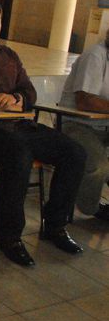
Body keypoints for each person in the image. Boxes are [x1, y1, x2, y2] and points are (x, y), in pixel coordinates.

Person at [0, 0, 86, 267]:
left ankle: (55, 225)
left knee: (74, 153)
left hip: (19, 124)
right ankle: (10, 238)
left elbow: (29, 91)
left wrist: (16, 99)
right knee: (18, 155)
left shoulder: (7, 55)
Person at [59, 28, 109, 222]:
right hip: (76, 124)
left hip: (104, 125)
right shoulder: (95, 55)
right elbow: (85, 101)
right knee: (98, 166)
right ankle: (90, 207)